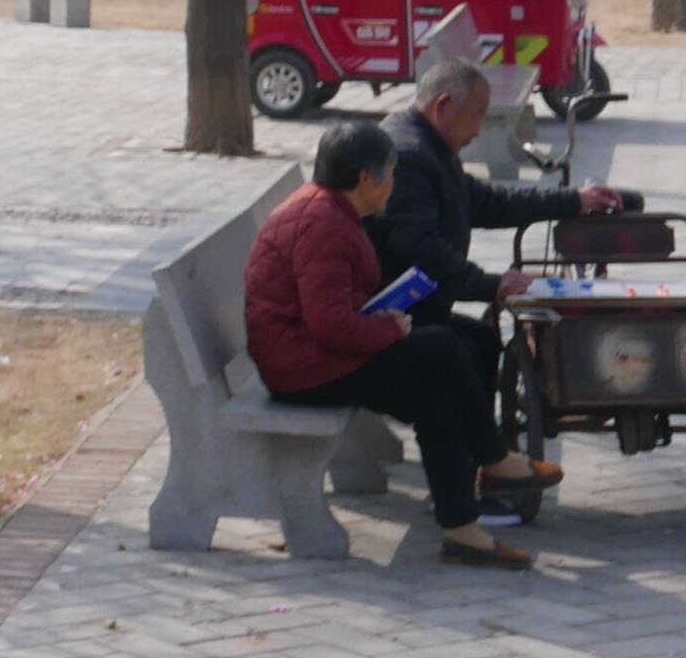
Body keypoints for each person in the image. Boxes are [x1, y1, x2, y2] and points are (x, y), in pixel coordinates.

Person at [244, 119, 556, 569]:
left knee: (437, 390)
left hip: (312, 354)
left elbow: (332, 305)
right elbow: (330, 325)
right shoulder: (323, 224)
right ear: (366, 179)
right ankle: (495, 458)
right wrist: (390, 329)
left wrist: (382, 315)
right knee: (441, 347)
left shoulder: (334, 210)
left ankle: (461, 531)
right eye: (390, 175)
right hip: (300, 370)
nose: (395, 184)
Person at [369, 60, 626, 375]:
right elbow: (422, 249)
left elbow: (488, 202)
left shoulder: (429, 144)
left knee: (483, 341)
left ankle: (473, 426)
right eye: (477, 116)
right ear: (443, 106)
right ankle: (464, 426)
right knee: (461, 352)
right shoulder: (409, 156)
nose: (478, 131)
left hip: (420, 308)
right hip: (393, 316)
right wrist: (489, 285)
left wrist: (573, 200)